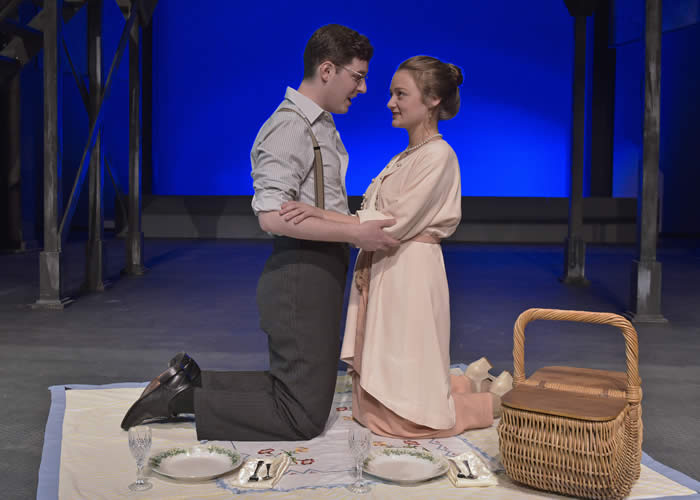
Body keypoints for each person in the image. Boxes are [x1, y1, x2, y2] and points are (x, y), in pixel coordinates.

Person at [120, 24, 399, 440]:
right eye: (357, 76)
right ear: (327, 70)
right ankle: (179, 399)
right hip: (299, 273)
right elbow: (270, 215)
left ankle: (191, 381)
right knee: (302, 417)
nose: (362, 88)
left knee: (304, 392)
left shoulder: (320, 124)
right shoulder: (290, 127)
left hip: (319, 269)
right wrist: (357, 233)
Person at [279, 55, 512, 438]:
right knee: (380, 391)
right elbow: (373, 214)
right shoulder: (405, 157)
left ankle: (489, 402)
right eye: (392, 93)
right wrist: (323, 216)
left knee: (405, 413)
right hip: (389, 265)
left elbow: (392, 224)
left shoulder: (439, 155)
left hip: (410, 270)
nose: (390, 102)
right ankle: (465, 384)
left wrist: (320, 218)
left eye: (400, 94)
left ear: (432, 99)